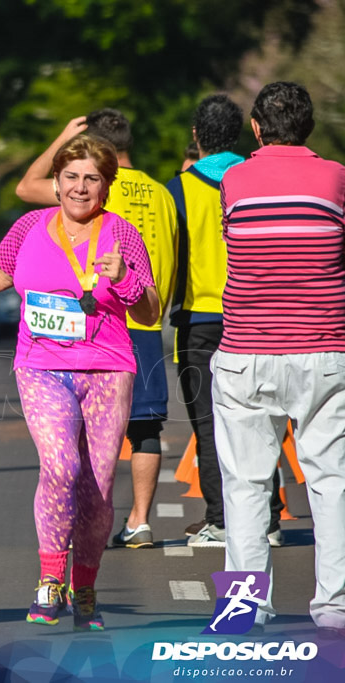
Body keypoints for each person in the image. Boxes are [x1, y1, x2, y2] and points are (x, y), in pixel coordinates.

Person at [0, 134, 159, 630]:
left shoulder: (122, 233)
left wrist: (127, 279)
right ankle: (51, 579)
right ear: (55, 182)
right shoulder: (30, 226)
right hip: (41, 364)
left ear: (107, 187)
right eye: (71, 177)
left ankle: (86, 584)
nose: (79, 187)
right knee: (60, 464)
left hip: (109, 368)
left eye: (92, 178)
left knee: (96, 486)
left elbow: (152, 308)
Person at [212, 81, 345, 635]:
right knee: (331, 480)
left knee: (246, 485)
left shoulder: (235, 180)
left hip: (247, 350)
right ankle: (335, 607)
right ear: (309, 128)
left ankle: (243, 610)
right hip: (324, 351)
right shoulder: (337, 178)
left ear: (258, 129)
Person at [16, 110, 177, 550]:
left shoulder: (90, 195)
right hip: (143, 319)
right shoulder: (163, 193)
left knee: (87, 460)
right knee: (146, 426)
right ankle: (140, 518)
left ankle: (79, 554)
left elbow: (26, 187)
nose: (81, 186)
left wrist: (62, 137)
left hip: (111, 319)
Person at [167, 94, 284, 549]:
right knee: (263, 421)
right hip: (257, 318)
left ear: (196, 137)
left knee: (208, 424)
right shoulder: (260, 181)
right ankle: (270, 521)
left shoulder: (178, 189)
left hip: (198, 319)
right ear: (242, 133)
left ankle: (221, 519)